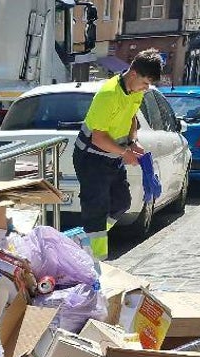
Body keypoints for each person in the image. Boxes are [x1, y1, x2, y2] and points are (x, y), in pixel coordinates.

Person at [72, 49, 163, 261]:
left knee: (122, 203)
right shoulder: (108, 95)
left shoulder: (135, 91)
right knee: (96, 210)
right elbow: (98, 138)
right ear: (133, 74)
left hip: (111, 156)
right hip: (91, 158)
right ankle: (96, 264)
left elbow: (132, 118)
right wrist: (125, 153)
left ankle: (84, 241)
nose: (146, 88)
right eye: (145, 83)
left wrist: (133, 142)